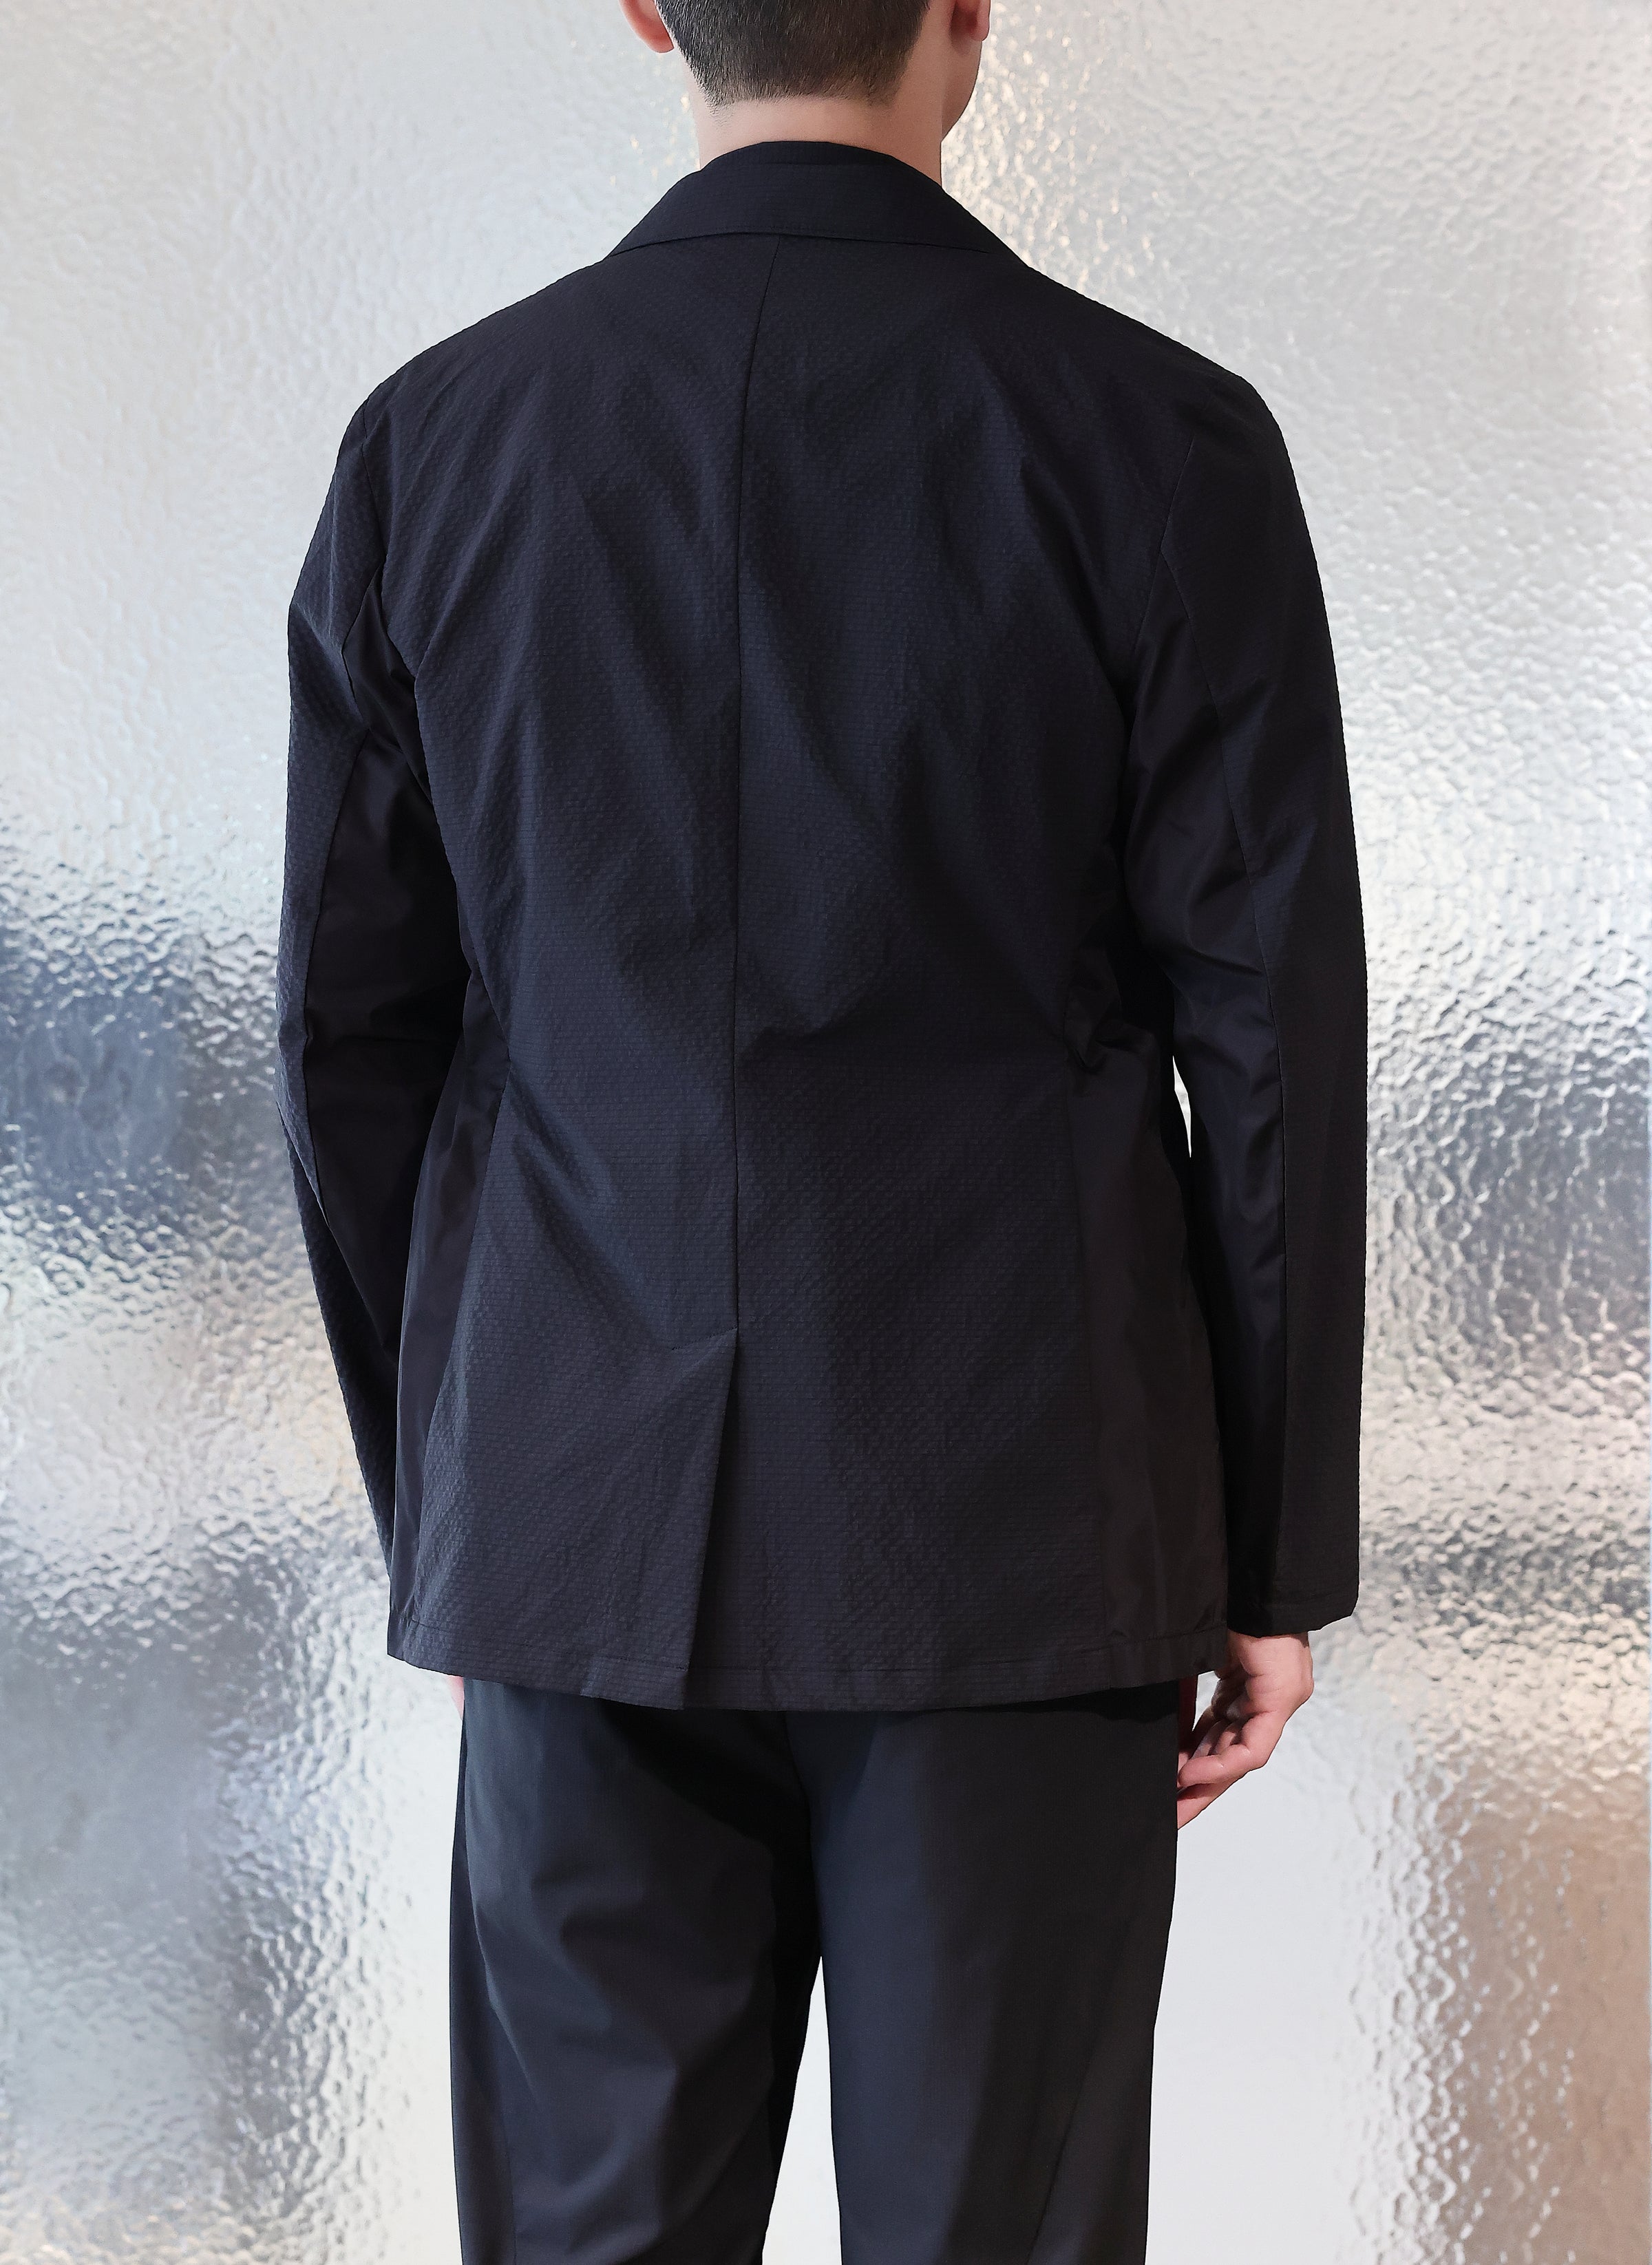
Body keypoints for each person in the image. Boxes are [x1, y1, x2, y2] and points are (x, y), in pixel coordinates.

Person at [277, 0, 1366, 2255]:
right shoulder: (1165, 441)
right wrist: (1267, 1557)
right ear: (971, 10)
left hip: (576, 1522)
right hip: (1022, 1534)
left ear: (646, 8)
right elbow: (1268, 1041)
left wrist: (464, 1503)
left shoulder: (435, 446)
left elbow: (349, 1038)